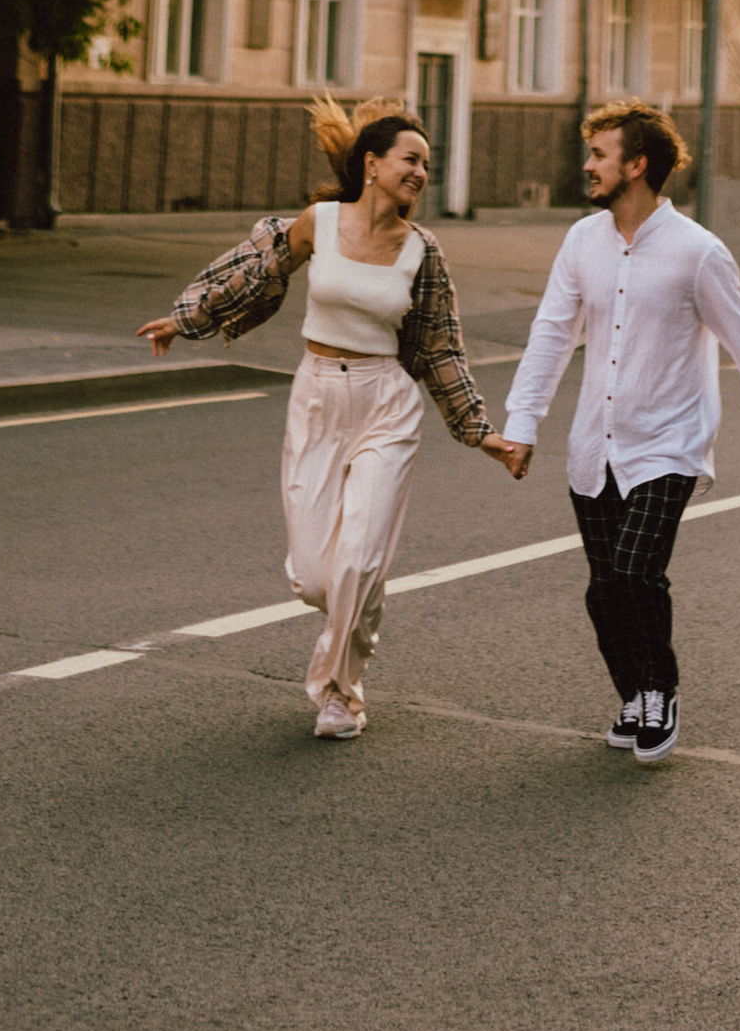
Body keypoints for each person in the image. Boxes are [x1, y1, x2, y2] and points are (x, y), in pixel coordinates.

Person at [141, 99, 528, 738]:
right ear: (372, 164)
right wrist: (186, 320)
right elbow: (253, 273)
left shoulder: (422, 252)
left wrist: (479, 432)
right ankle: (349, 620)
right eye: (411, 159)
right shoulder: (318, 223)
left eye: (427, 165)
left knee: (358, 562)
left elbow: (440, 348)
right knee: (317, 578)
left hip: (386, 404)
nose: (421, 173)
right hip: (317, 398)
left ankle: (341, 695)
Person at [494, 102, 740, 764]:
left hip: (669, 445)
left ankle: (660, 690)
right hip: (595, 444)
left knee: (635, 571)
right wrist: (523, 422)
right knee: (603, 587)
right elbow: (551, 334)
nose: (588, 165)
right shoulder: (582, 241)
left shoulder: (698, 252)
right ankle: (632, 693)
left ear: (636, 166)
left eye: (599, 155)